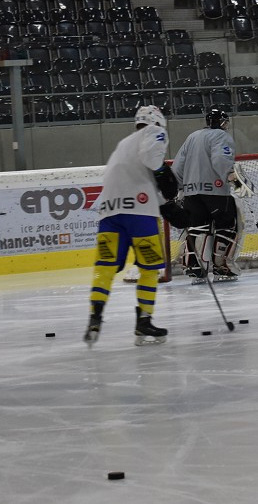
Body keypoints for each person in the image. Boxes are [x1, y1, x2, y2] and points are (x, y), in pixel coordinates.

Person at [83, 105, 172, 347]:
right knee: (150, 267)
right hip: (139, 213)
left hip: (109, 214)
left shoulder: (123, 145)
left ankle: (95, 316)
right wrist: (164, 171)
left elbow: (137, 176)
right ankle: (144, 320)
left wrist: (163, 201)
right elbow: (152, 160)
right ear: (158, 122)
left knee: (106, 266)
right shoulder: (154, 132)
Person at [170, 107, 244, 281]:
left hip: (191, 194)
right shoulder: (222, 136)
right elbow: (221, 159)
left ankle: (195, 267)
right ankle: (222, 266)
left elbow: (177, 166)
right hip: (216, 192)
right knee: (228, 225)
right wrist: (231, 176)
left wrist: (177, 189)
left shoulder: (192, 137)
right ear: (222, 122)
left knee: (198, 227)